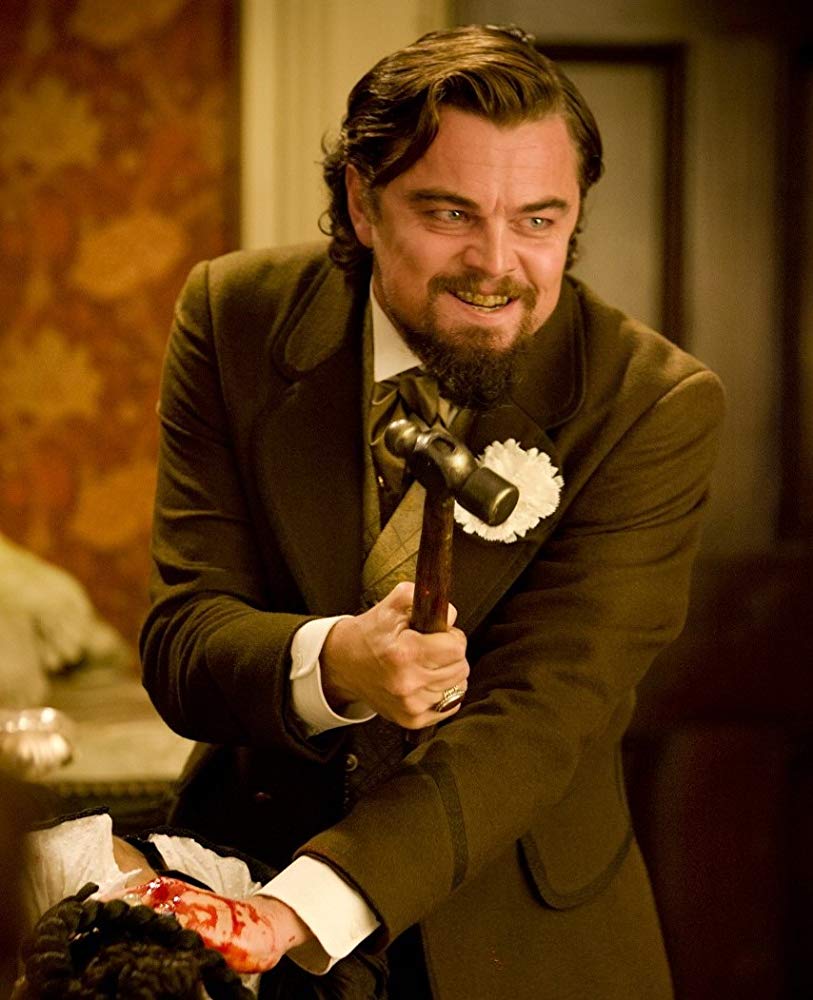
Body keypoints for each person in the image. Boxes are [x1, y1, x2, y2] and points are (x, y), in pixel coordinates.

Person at [140, 23, 725, 999]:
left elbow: (539, 716)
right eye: (451, 212)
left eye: (538, 220)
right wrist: (335, 663)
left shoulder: (653, 401)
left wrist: (300, 910)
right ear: (362, 202)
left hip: (521, 940)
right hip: (237, 889)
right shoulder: (232, 314)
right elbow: (181, 642)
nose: (496, 264)